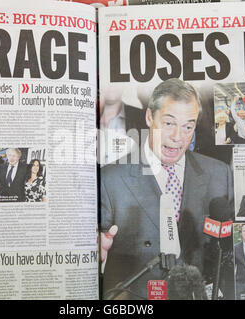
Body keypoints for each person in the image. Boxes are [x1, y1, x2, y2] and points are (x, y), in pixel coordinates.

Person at [100, 78, 234, 300]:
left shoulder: (219, 175)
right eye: (169, 123)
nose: (177, 137)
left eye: (188, 126)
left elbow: (226, 257)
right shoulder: (110, 179)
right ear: (149, 117)